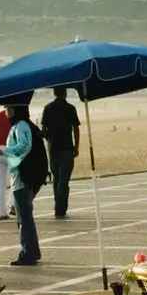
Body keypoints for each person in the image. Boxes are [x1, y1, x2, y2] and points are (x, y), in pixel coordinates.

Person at [3, 102, 47, 265]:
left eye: (8, 109)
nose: (7, 112)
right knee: (24, 216)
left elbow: (25, 146)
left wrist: (5, 151)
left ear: (16, 110)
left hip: (23, 177)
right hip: (26, 176)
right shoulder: (25, 124)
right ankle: (33, 251)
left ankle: (28, 253)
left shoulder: (21, 125)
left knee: (24, 217)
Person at [40, 86, 81, 219]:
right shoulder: (70, 108)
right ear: (65, 94)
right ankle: (60, 208)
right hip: (67, 148)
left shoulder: (48, 108)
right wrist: (76, 146)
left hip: (53, 148)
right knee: (64, 180)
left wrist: (49, 140)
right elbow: (75, 128)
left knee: (56, 178)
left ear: (55, 93)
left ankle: (58, 205)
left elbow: (44, 129)